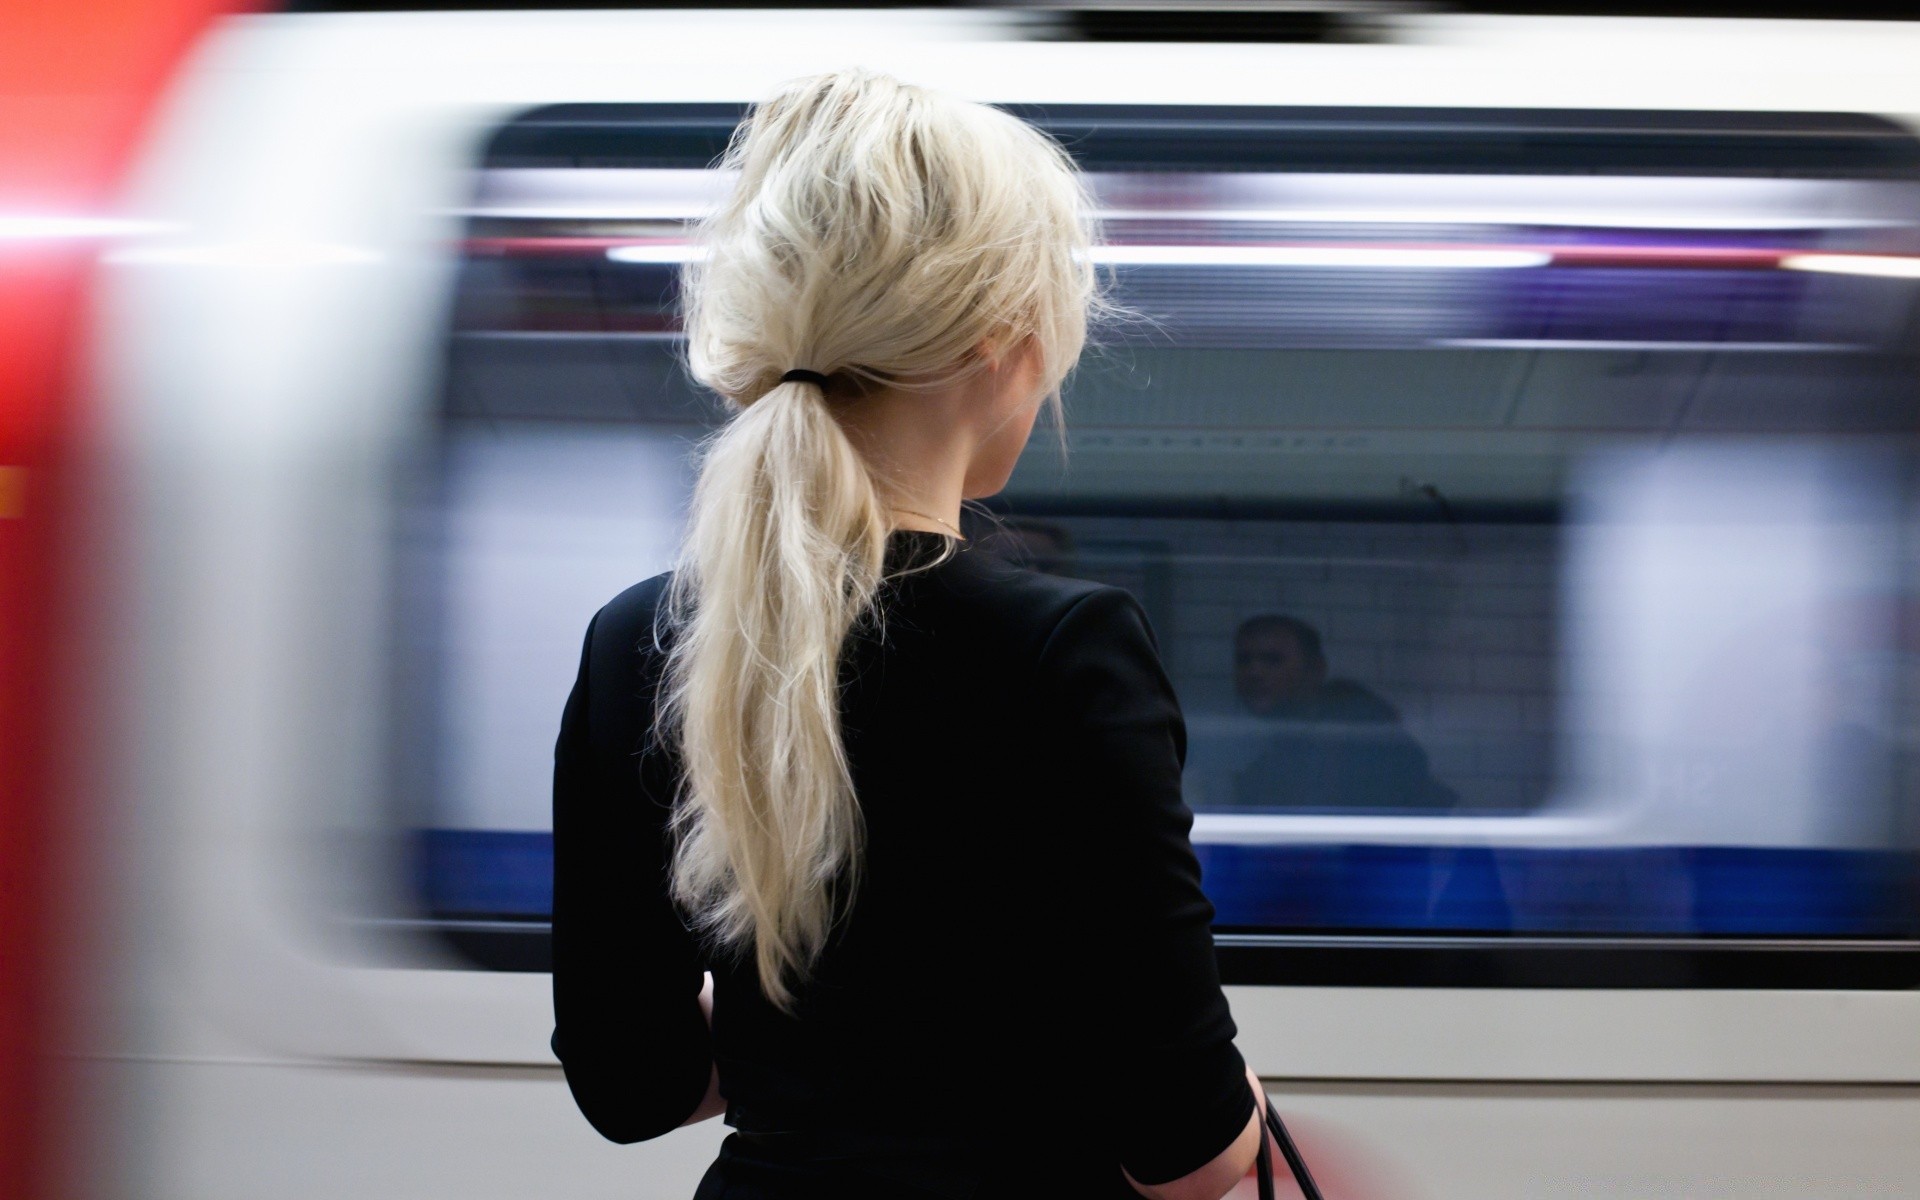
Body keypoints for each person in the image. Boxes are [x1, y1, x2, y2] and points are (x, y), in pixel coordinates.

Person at [550, 70, 1267, 1200]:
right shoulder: (1065, 650)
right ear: (1007, 345)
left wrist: (811, 1042)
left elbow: (627, 1083)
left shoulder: (635, 640)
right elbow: (1189, 1151)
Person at [1231, 615, 1459, 811]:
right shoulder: (1278, 748)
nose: (1254, 672)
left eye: (1272, 660)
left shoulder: (1356, 740)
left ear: (1315, 670)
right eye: (1244, 660)